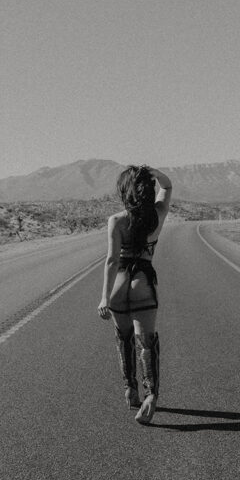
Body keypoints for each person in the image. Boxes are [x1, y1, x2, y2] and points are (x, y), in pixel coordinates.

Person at [97, 165, 173, 424]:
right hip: (143, 282)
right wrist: (154, 172)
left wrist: (104, 298)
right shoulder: (158, 216)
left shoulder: (116, 221)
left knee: (123, 338)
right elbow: (168, 186)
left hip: (119, 284)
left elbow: (110, 260)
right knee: (146, 342)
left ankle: (130, 389)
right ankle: (150, 395)